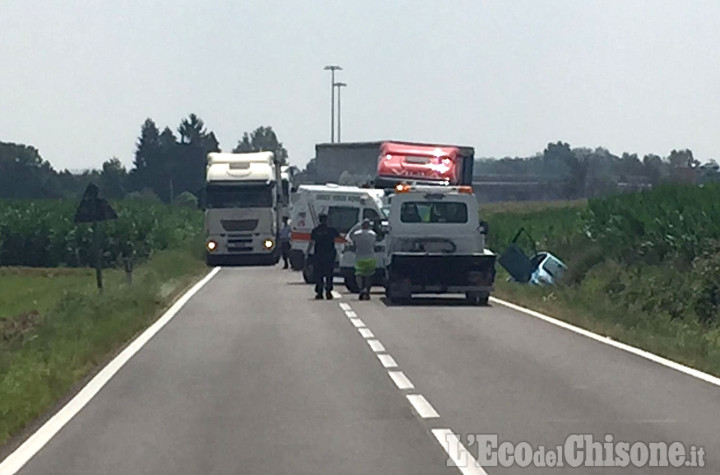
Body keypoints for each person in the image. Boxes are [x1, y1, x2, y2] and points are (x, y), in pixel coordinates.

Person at [307, 213, 340, 299]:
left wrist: (307, 253)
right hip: (329, 255)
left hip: (318, 256)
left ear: (319, 220)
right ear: (327, 220)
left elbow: (311, 243)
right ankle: (328, 292)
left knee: (319, 275)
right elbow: (338, 239)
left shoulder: (316, 230)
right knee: (329, 275)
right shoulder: (332, 230)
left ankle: (319, 293)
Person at [349, 219, 377, 300]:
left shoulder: (356, 234)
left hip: (359, 257)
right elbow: (374, 244)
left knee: (359, 274)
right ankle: (367, 290)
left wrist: (356, 226)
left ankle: (361, 289)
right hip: (370, 257)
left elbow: (350, 237)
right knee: (369, 275)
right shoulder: (373, 234)